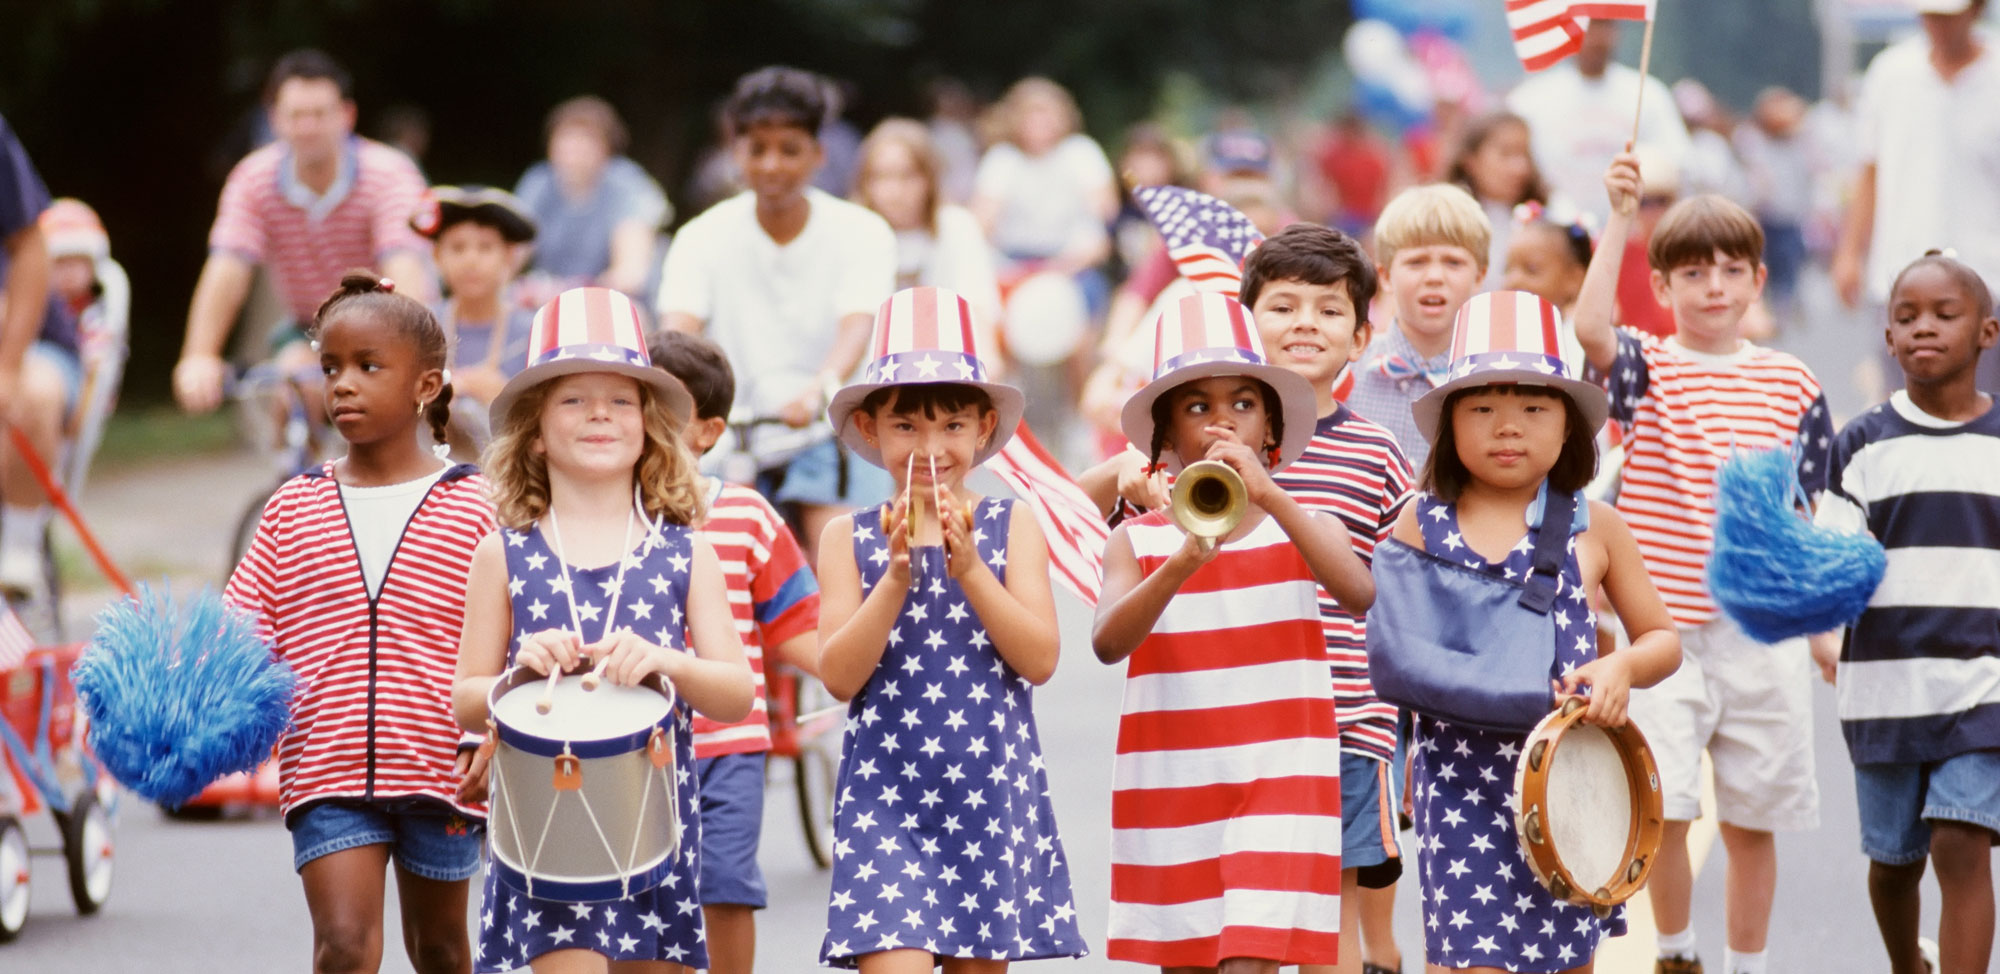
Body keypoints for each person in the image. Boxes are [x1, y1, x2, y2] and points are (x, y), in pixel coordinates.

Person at [1574, 155, 1835, 974]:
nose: (1714, 287)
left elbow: (1811, 511)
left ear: (1758, 279)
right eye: (1693, 272)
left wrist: (1824, 626)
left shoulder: (1792, 379)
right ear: (1663, 283)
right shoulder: (1649, 368)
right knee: (1669, 805)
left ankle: (1747, 962)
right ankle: (1678, 951)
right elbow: (1588, 331)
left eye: (1730, 270)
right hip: (1668, 632)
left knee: (1755, 816)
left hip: (1763, 631)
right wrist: (1618, 216)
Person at [1372, 290, 1681, 973]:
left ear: (1568, 425)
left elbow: (1663, 640)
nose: (1507, 426)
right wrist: (1390, 765)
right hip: (1454, 778)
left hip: (1573, 779)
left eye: (1533, 408)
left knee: (1564, 961)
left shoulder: (1596, 527)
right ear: (1449, 424)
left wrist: (1619, 669)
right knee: (1467, 960)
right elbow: (1397, 657)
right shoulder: (1418, 523)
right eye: (1482, 407)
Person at [450, 286, 754, 974]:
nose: (599, 415)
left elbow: (735, 694)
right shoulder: (503, 550)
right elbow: (465, 697)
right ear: (534, 427)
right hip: (547, 835)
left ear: (648, 425)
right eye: (573, 399)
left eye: (621, 400)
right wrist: (514, 674)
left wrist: (667, 662)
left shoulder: (686, 549)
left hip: (656, 828)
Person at [1093, 291, 1374, 972]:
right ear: (1164, 438)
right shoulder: (1140, 541)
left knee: (1248, 957)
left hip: (1282, 778)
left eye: (1243, 405)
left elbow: (1360, 593)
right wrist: (1181, 561)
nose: (1223, 422)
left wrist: (1275, 496)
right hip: (1175, 783)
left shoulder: (1305, 524)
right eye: (1198, 407)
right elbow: (1107, 641)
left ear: (1271, 431)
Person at [223, 273, 490, 974]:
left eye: (369, 367)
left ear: (426, 385)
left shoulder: (477, 507)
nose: (342, 385)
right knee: (342, 946)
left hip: (445, 768)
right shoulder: (292, 507)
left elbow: (511, 636)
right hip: (326, 765)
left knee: (441, 950)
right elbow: (237, 629)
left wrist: (489, 732)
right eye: (331, 368)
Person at [815, 285, 1087, 969]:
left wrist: (968, 569)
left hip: (988, 795)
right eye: (906, 426)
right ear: (871, 430)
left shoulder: (1009, 523)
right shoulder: (846, 537)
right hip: (885, 796)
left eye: (952, 426)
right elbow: (840, 675)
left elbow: (1040, 658)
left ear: (984, 428)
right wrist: (897, 578)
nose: (931, 447)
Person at [1811, 251, 1999, 974]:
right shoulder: (1862, 443)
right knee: (1894, 861)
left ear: (1987, 332)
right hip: (1885, 686)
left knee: (1961, 841)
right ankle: (1904, 964)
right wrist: (1823, 634)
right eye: (1906, 317)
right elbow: (1832, 559)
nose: (1924, 329)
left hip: (1983, 683)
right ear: (1887, 339)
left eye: (1944, 316)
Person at [1241, 226, 1416, 974]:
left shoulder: (1377, 450)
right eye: (1282, 306)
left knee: (1328, 919)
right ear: (1245, 322)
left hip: (1348, 714)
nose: (1305, 323)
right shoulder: (1201, 441)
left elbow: (1405, 582)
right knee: (1243, 919)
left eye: (1328, 310)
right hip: (1236, 714)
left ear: (1362, 336)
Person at [658, 66, 897, 565]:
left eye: (789, 150)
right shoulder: (702, 235)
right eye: (756, 149)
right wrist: (686, 395)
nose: (772, 165)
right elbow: (680, 331)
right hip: (728, 434)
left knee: (844, 556)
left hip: (830, 430)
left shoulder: (862, 231)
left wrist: (820, 386)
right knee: (705, 554)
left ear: (817, 153)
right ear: (735, 151)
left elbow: (858, 322)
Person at [647, 330, 823, 974]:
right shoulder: (596, 516)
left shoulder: (745, 515)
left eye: (668, 411)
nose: (645, 423)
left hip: (729, 744)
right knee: (638, 897)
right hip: (632, 747)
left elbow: (799, 627)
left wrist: (871, 668)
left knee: (725, 887)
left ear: (708, 431)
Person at [176, 49, 432, 415]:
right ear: (274, 119)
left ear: (347, 115)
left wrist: (407, 354)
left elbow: (405, 268)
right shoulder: (253, 179)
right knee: (292, 391)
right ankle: (297, 468)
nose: (307, 127)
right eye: (296, 115)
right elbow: (228, 267)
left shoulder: (389, 174)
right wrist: (200, 355)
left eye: (320, 114)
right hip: (311, 329)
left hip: (390, 323)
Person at [1833, 0, 2000, 397]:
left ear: (1975, 10)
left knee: (1984, 412)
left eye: (1948, 15)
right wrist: (1850, 252)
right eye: (1931, 15)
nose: (1938, 26)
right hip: (1902, 266)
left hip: (1988, 274)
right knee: (1904, 411)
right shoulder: (1891, 75)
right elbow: (1870, 171)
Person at [1346, 183, 1491, 469]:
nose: (1435, 276)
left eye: (1453, 262)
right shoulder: (1346, 369)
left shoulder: (1491, 379)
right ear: (1385, 277)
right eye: (1416, 262)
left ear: (1479, 276)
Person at [0, 113, 85, 600]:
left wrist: (8, 370)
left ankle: (18, 556)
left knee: (30, 391)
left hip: (34, 345)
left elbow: (30, 246)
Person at [1506, 18, 1689, 226]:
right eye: (1587, 26)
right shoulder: (1530, 99)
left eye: (1604, 26)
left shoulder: (1648, 94)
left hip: (1631, 236)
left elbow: (1677, 165)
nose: (1595, 38)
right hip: (1555, 236)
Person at [851, 118, 1002, 357]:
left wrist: (988, 357)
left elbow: (978, 302)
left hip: (949, 362)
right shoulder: (855, 233)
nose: (894, 191)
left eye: (907, 176)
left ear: (930, 178)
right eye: (880, 177)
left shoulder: (956, 226)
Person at [970, 77, 1119, 316]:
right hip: (1013, 262)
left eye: (1047, 113)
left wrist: (1063, 266)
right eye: (1032, 114)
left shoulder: (1081, 152)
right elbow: (981, 222)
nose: (1040, 122)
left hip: (1071, 263)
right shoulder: (1002, 158)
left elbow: (1103, 216)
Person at [410, 185, 537, 452]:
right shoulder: (418, 326)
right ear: (436, 257)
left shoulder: (533, 331)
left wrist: (501, 395)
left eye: (486, 248)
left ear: (509, 257)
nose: (471, 260)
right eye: (457, 249)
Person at [513, 96, 670, 300]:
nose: (574, 149)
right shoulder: (538, 182)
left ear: (607, 149)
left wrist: (569, 290)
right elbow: (511, 253)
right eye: (566, 138)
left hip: (614, 302)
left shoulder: (628, 185)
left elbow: (631, 273)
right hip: (550, 299)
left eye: (586, 140)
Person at [1445, 111, 1550, 290]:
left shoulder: (1549, 216)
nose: (1520, 167)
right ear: (1470, 161)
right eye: (1506, 154)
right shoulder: (1446, 220)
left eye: (1524, 154)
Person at [1503, 206, 1593, 320]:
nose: (1513, 281)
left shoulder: (1577, 335)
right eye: (1507, 269)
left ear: (1573, 279)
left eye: (1531, 269)